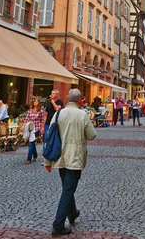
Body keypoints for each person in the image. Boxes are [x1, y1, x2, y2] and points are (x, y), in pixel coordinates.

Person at [45, 88, 97, 236]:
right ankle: (58, 225)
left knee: (67, 187)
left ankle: (72, 213)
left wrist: (47, 161)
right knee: (68, 189)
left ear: (68, 99)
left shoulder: (59, 113)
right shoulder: (82, 115)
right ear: (80, 100)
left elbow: (49, 137)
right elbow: (92, 135)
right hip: (75, 157)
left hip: (60, 157)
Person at [24, 98, 44, 164]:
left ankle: (28, 159)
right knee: (32, 142)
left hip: (37, 128)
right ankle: (35, 155)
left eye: (37, 101)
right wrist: (23, 126)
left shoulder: (40, 111)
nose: (35, 102)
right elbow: (26, 119)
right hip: (30, 128)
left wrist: (42, 128)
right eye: (35, 101)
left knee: (31, 142)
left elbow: (42, 120)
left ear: (39, 103)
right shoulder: (30, 110)